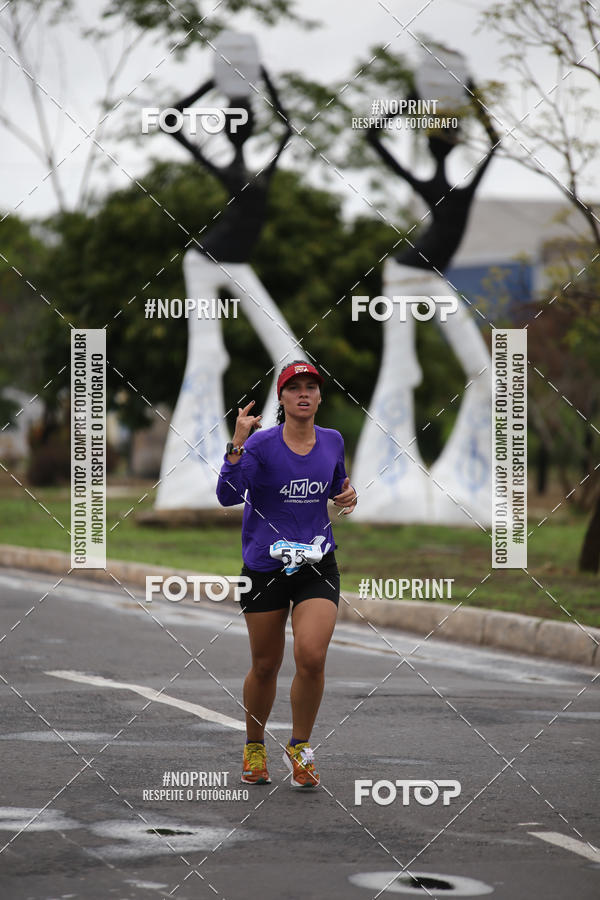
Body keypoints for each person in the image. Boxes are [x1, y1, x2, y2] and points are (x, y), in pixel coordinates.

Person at [216, 360, 357, 788]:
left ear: (319, 396)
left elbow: (338, 486)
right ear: (281, 397)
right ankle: (255, 747)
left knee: (311, 658)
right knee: (265, 664)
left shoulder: (332, 441)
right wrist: (237, 443)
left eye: (311, 387)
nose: (303, 394)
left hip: (317, 564)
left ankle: (300, 747)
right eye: (293, 387)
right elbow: (226, 496)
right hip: (265, 567)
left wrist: (347, 494)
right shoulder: (260, 445)